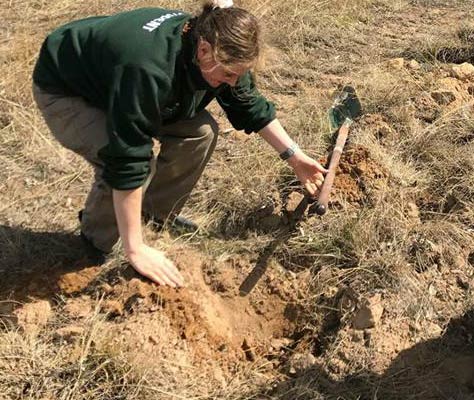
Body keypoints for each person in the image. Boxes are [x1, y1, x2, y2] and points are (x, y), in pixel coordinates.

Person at [32, 2, 326, 288]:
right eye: (229, 75)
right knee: (130, 162)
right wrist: (135, 250)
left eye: (239, 74)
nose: (234, 82)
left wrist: (295, 157)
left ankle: (152, 216)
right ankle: (95, 243)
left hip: (123, 84)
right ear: (203, 51)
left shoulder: (221, 40)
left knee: (200, 132)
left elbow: (247, 104)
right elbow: (127, 158)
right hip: (69, 89)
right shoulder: (149, 68)